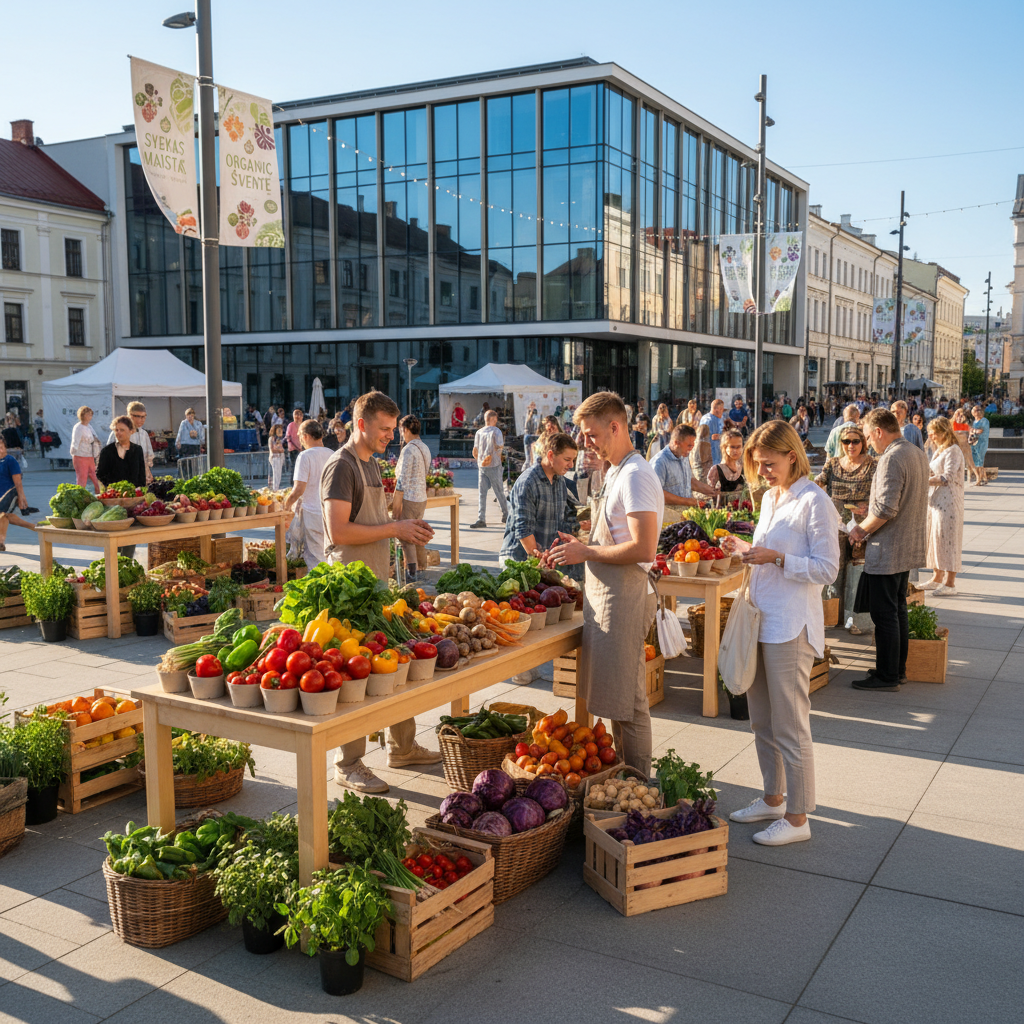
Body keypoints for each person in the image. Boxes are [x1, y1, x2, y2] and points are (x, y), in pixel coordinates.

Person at [722, 421, 839, 847]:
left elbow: (828, 569)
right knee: (761, 720)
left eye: (769, 464)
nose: (763, 472)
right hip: (762, 619)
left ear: (792, 455)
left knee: (791, 725)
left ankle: (797, 817)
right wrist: (747, 554)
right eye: (758, 465)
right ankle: (773, 797)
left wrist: (777, 557)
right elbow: (770, 556)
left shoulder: (815, 501)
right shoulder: (771, 497)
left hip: (791, 625)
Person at [321, 390, 439, 793]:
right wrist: (394, 528)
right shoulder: (341, 466)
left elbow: (377, 518)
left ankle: (402, 747)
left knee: (395, 668)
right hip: (350, 589)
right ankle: (348, 762)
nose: (391, 435)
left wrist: (408, 527)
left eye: (393, 428)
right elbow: (338, 531)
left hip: (376, 584)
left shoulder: (371, 463)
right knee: (355, 678)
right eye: (384, 429)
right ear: (361, 424)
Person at [548, 391, 663, 777]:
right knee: (616, 699)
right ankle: (626, 778)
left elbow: (644, 546)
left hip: (626, 596)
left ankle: (641, 784)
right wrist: (583, 544)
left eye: (590, 434)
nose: (584, 443)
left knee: (629, 704)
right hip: (609, 596)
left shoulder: (635, 475)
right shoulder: (615, 470)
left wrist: (589, 554)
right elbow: (616, 533)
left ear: (615, 427)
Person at [848, 409, 929, 691]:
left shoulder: (892, 456)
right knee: (897, 610)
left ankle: (887, 675)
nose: (869, 443)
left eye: (869, 437)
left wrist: (860, 529)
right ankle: (896, 669)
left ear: (879, 431)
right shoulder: (916, 452)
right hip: (907, 545)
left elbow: (885, 508)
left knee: (884, 614)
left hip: (889, 547)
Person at [815, 423, 876, 635]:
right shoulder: (832, 463)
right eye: (846, 441)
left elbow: (880, 490)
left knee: (858, 569)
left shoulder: (873, 464)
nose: (851, 445)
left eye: (855, 441)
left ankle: (856, 620)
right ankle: (833, 617)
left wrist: (871, 506)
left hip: (862, 523)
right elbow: (819, 482)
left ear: (863, 443)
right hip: (836, 522)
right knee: (835, 567)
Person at [500, 431, 581, 580]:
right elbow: (524, 531)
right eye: (567, 459)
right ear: (550, 456)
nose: (571, 465)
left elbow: (562, 520)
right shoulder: (528, 482)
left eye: (573, 460)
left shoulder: (560, 481)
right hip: (520, 561)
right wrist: (538, 561)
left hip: (544, 561)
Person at [920, 417, 965, 597]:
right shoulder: (940, 449)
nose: (931, 435)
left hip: (949, 502)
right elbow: (934, 471)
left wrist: (923, 481)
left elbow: (946, 477)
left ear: (944, 432)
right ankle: (937, 577)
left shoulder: (953, 451)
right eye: (930, 432)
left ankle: (950, 582)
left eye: (934, 432)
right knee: (935, 539)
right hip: (937, 502)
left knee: (949, 541)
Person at [283, 419, 333, 569]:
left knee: (315, 559)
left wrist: (287, 504)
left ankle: (321, 589)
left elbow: (299, 489)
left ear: (305, 436)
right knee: (331, 555)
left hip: (312, 512)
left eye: (299, 437)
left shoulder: (305, 456)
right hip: (331, 512)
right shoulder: (332, 454)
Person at [97, 416, 147, 559]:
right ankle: (115, 563)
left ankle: (127, 561)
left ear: (131, 431)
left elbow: (141, 476)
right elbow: (100, 473)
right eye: (116, 430)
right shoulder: (107, 451)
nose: (118, 433)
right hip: (113, 501)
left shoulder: (137, 450)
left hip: (132, 501)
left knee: (130, 534)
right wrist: (113, 490)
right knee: (115, 535)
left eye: (122, 430)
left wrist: (140, 496)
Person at [392, 414, 433, 581]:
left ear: (407, 430)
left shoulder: (409, 449)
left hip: (409, 497)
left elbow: (402, 479)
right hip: (421, 497)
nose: (401, 434)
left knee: (406, 535)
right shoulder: (425, 447)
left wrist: (396, 502)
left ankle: (411, 572)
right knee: (417, 532)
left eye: (402, 430)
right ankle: (421, 568)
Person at [651, 425, 718, 507]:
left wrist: (712, 491)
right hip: (668, 517)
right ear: (676, 443)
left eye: (693, 445)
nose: (692, 449)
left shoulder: (683, 455)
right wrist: (687, 501)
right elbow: (656, 493)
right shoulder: (659, 462)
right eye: (689, 445)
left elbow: (689, 481)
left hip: (684, 513)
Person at [469, 409, 508, 529]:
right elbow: (500, 447)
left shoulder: (479, 432)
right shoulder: (496, 431)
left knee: (482, 493)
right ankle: (506, 515)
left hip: (482, 466)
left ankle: (481, 518)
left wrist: (480, 460)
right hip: (494, 465)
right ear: (494, 419)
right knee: (499, 491)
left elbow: (474, 451)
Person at [0, 437, 36, 552]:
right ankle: (33, 526)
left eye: (1, 447)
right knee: (9, 516)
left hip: (10, 492)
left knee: (3, 514)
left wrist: (21, 497)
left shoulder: (10, 460)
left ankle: (0, 542)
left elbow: (18, 482)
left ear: (5, 447)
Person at [107, 402, 154, 485]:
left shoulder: (144, 434)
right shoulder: (118, 433)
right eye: (138, 416)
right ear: (130, 416)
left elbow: (147, 457)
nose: (142, 419)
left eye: (144, 416)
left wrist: (148, 473)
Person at [69, 406, 103, 493]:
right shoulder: (78, 427)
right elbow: (75, 442)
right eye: (87, 414)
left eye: (91, 415)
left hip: (90, 456)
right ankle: (80, 496)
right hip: (80, 456)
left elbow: (95, 438)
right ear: (82, 415)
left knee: (96, 477)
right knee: (82, 479)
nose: (90, 417)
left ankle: (99, 494)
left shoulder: (89, 426)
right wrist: (74, 454)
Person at [707, 429, 746, 495]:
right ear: (725, 447)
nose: (736, 451)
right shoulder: (716, 470)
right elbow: (710, 494)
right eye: (732, 447)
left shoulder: (742, 468)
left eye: (738, 447)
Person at [968, 405, 990, 486]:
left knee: (980, 461)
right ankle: (984, 478)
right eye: (974, 410)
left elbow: (980, 431)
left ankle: (979, 479)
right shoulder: (974, 421)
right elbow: (972, 431)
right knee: (976, 461)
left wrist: (972, 430)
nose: (976, 411)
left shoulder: (984, 421)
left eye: (978, 410)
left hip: (982, 442)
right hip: (974, 443)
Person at [700, 399, 726, 463]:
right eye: (721, 409)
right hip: (712, 456)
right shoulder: (709, 420)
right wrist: (723, 436)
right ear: (716, 409)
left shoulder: (721, 418)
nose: (722, 411)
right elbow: (713, 437)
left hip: (719, 454)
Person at [950, 407, 972, 471]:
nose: (959, 417)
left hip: (963, 447)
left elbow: (971, 433)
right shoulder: (951, 423)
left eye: (961, 415)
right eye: (958, 415)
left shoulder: (965, 425)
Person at [267, 425, 286, 490]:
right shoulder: (271, 439)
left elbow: (282, 449)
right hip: (275, 458)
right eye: (279, 430)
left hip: (280, 457)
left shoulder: (279, 439)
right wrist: (280, 450)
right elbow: (273, 449)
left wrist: (281, 450)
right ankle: (274, 489)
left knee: (279, 475)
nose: (281, 432)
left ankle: (277, 488)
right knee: (275, 475)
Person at [523, 401, 541, 466]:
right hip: (531, 435)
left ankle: (525, 469)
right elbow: (534, 427)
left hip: (528, 435)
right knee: (531, 458)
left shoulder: (530, 416)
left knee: (529, 458)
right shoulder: (531, 416)